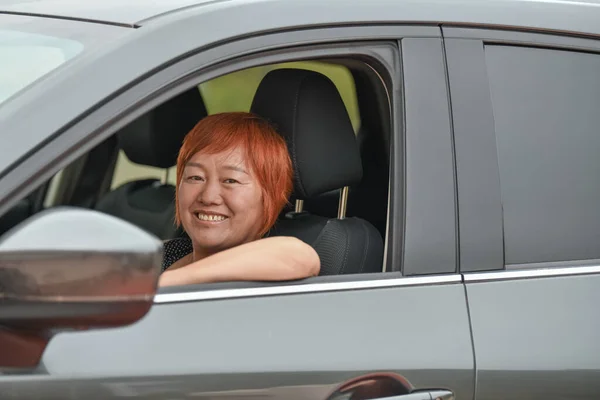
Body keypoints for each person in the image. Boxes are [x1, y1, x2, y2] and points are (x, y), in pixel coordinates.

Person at [158, 112, 320, 287]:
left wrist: (160, 285)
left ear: (269, 196)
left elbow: (300, 257)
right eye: (195, 177)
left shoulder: (270, 270)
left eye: (231, 180)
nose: (208, 197)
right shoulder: (169, 254)